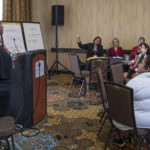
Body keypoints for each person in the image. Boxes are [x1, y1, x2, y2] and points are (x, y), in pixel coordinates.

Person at [112, 56, 150, 147]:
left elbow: (122, 103)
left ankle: (118, 137)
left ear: (147, 68)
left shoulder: (134, 82)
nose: (139, 64)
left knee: (115, 108)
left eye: (141, 63)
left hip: (136, 123)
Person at [0, 22, 18, 116]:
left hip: (5, 82)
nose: (2, 26)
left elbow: (6, 54)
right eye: (0, 24)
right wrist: (12, 60)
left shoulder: (1, 43)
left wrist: (12, 58)